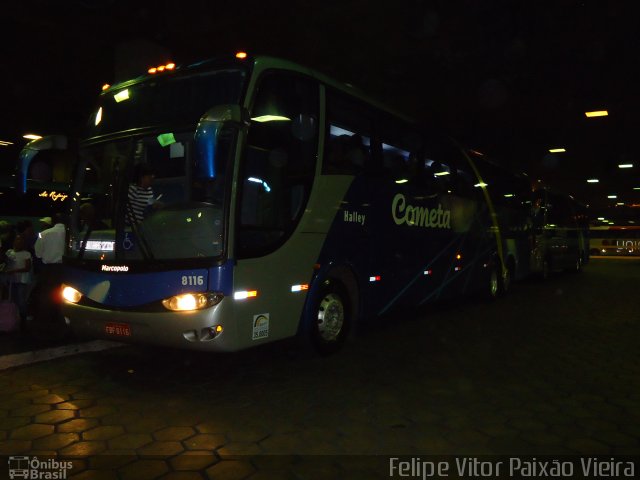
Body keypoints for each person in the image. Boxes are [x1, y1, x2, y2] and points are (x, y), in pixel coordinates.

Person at [4, 234, 33, 321]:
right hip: (11, 280)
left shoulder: (26, 254)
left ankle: (23, 318)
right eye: (17, 240)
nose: (19, 242)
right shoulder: (9, 252)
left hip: (21, 280)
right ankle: (13, 317)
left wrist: (14, 271)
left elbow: (27, 268)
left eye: (21, 241)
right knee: (12, 300)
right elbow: (5, 263)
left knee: (21, 300)